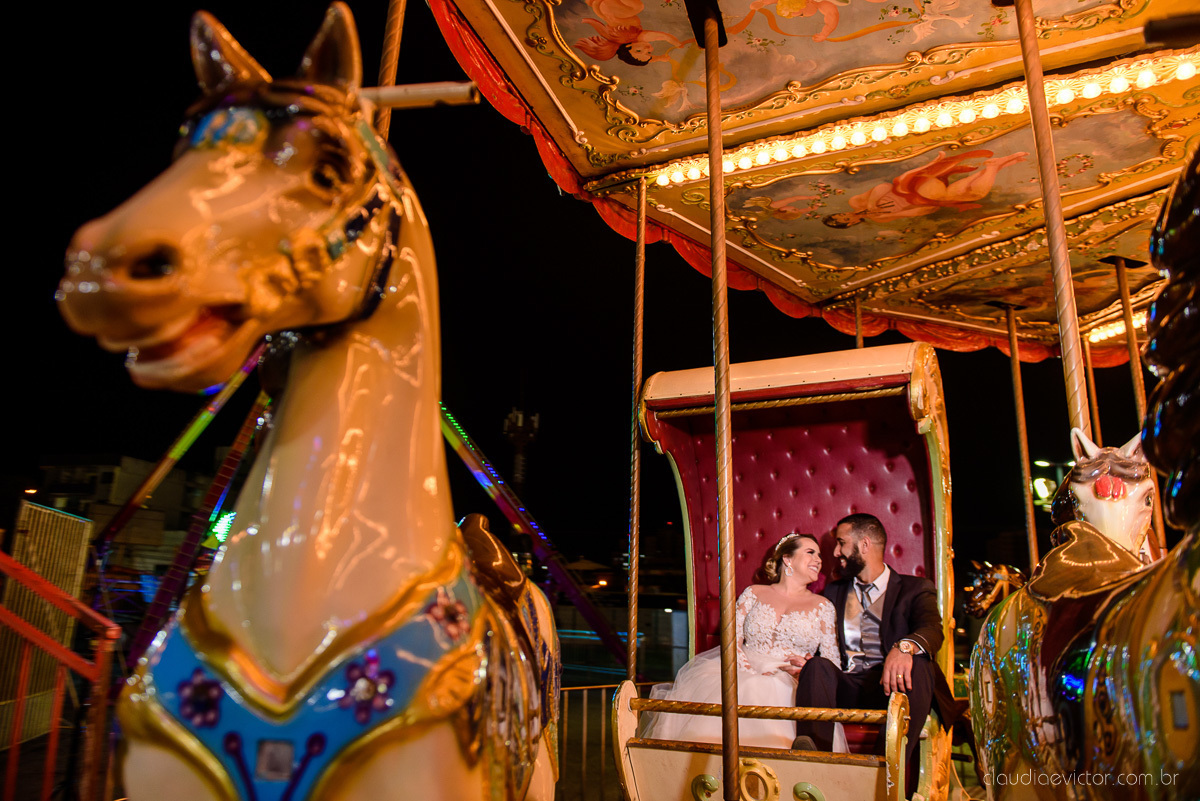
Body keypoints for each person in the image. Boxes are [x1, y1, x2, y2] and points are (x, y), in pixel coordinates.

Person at [643, 533, 847, 750]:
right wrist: (749, 670)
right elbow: (731, 637)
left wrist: (805, 670)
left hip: (793, 679)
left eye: (819, 555)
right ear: (787, 559)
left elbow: (831, 663)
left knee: (770, 689)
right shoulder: (754, 593)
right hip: (742, 667)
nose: (818, 560)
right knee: (749, 686)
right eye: (810, 552)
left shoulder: (823, 606)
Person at [792, 513, 955, 764]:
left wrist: (904, 647)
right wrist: (805, 658)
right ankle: (814, 762)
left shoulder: (915, 588)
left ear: (865, 544)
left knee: (920, 664)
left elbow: (932, 629)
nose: (835, 552)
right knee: (816, 666)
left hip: (893, 688)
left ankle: (885, 768)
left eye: (841, 543)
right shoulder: (835, 591)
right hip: (847, 685)